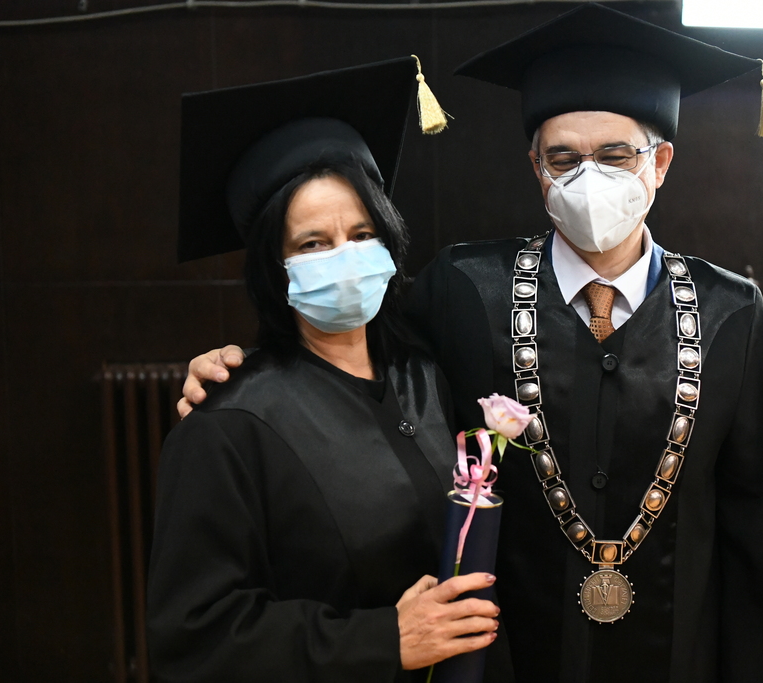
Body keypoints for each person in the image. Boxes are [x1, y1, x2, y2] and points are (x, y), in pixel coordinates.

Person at [179, 5, 763, 682]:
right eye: (563, 158)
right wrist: (243, 369)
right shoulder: (466, 290)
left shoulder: (729, 313)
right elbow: (350, 352)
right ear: (536, 167)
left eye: (616, 156)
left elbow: (761, 533)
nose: (589, 178)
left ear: (660, 161)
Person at [147, 57, 506, 683]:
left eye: (363, 234)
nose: (346, 258)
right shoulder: (228, 424)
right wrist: (382, 640)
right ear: (274, 267)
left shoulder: (423, 376)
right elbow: (194, 638)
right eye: (312, 243)